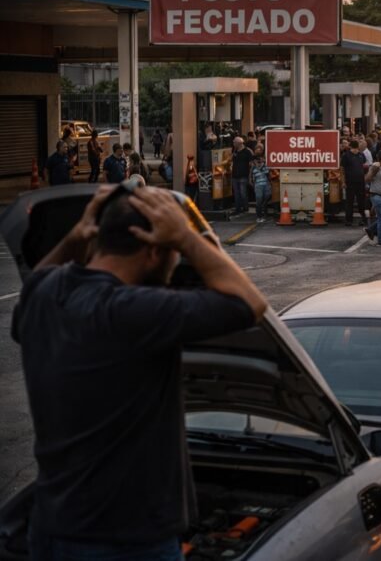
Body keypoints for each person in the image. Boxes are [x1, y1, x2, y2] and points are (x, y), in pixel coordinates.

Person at [12, 184, 267, 560]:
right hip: (125, 539)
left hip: (51, 527)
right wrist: (186, 236)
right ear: (153, 250)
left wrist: (77, 233)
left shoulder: (47, 296)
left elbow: (34, 282)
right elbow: (249, 303)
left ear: (94, 236)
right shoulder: (132, 311)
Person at [341, 139, 368, 226]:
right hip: (351, 182)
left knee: (361, 201)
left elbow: (364, 164)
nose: (356, 151)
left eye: (357, 149)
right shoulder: (346, 156)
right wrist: (343, 182)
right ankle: (349, 220)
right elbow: (342, 169)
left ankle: (362, 219)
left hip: (359, 181)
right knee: (350, 201)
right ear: (351, 148)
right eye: (354, 149)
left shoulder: (361, 155)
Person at [230, 136, 253, 217]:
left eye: (234, 143)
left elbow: (251, 164)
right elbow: (231, 160)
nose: (233, 144)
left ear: (239, 143)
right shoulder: (235, 151)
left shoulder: (247, 151)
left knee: (243, 192)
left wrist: (250, 175)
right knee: (236, 193)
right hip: (235, 175)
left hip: (243, 175)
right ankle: (238, 208)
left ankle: (245, 207)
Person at [250, 149, 271, 223]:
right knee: (259, 200)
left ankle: (264, 213)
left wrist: (263, 164)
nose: (259, 161)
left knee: (266, 197)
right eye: (257, 160)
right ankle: (259, 216)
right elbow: (251, 176)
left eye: (260, 159)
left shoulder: (265, 166)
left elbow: (267, 173)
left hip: (266, 184)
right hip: (258, 185)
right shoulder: (253, 168)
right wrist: (253, 183)